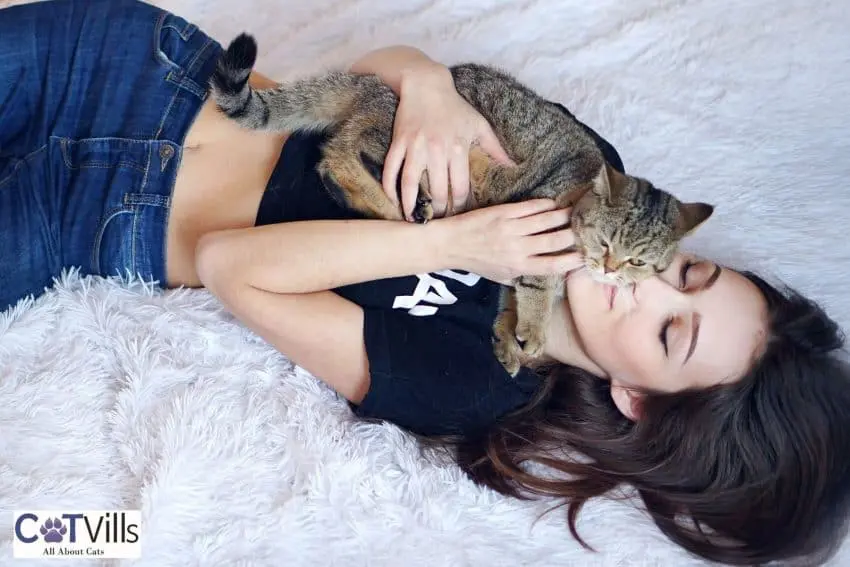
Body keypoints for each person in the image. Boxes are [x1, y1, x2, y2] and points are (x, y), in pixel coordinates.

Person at [2, 0, 849, 564]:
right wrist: (431, 85)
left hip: (94, 215)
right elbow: (364, 84)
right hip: (141, 72)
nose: (648, 277)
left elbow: (230, 265)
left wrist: (456, 242)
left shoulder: (479, 380)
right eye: (689, 270)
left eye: (672, 330)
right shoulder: (597, 177)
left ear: (636, 397)